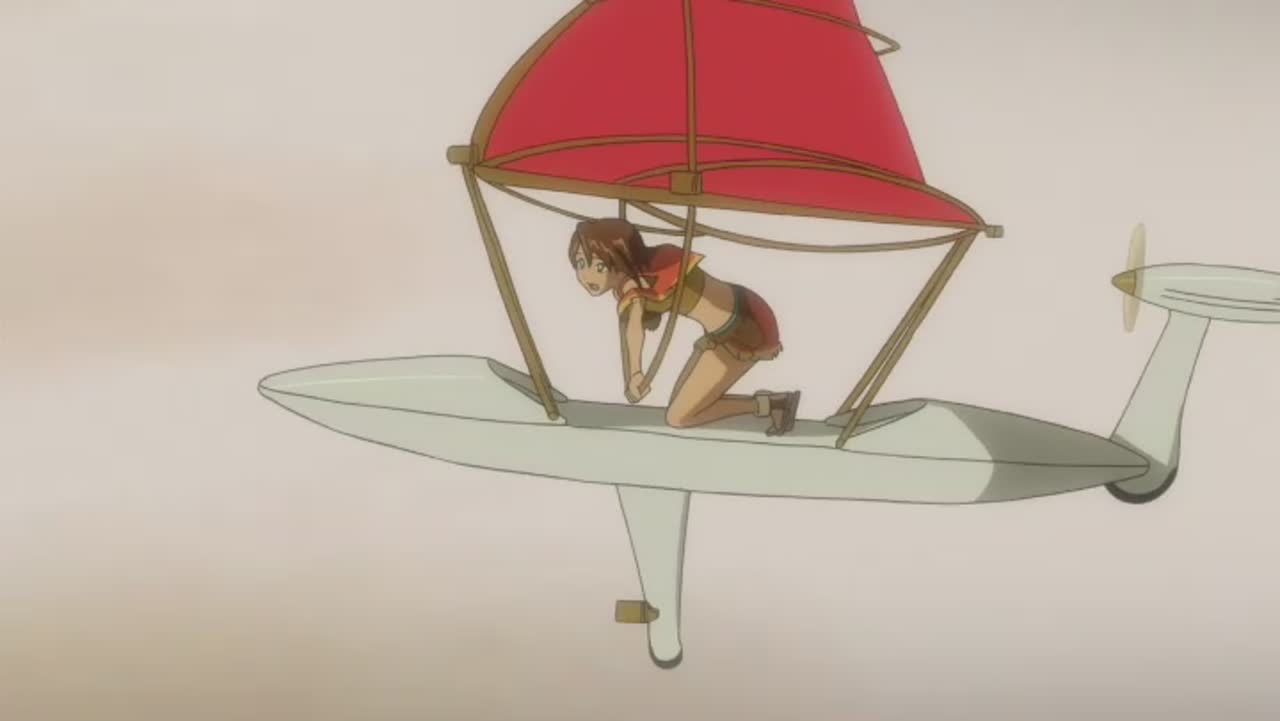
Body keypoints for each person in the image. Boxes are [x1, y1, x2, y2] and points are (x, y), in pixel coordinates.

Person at [567, 217, 800, 436]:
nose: (586, 276)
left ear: (620, 257)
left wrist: (635, 374)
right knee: (682, 408)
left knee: (679, 417)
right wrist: (633, 375)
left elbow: (633, 329)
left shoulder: (635, 289)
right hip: (729, 324)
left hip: (744, 328)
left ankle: (772, 405)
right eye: (580, 264)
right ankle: (774, 404)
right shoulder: (635, 278)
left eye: (599, 267)